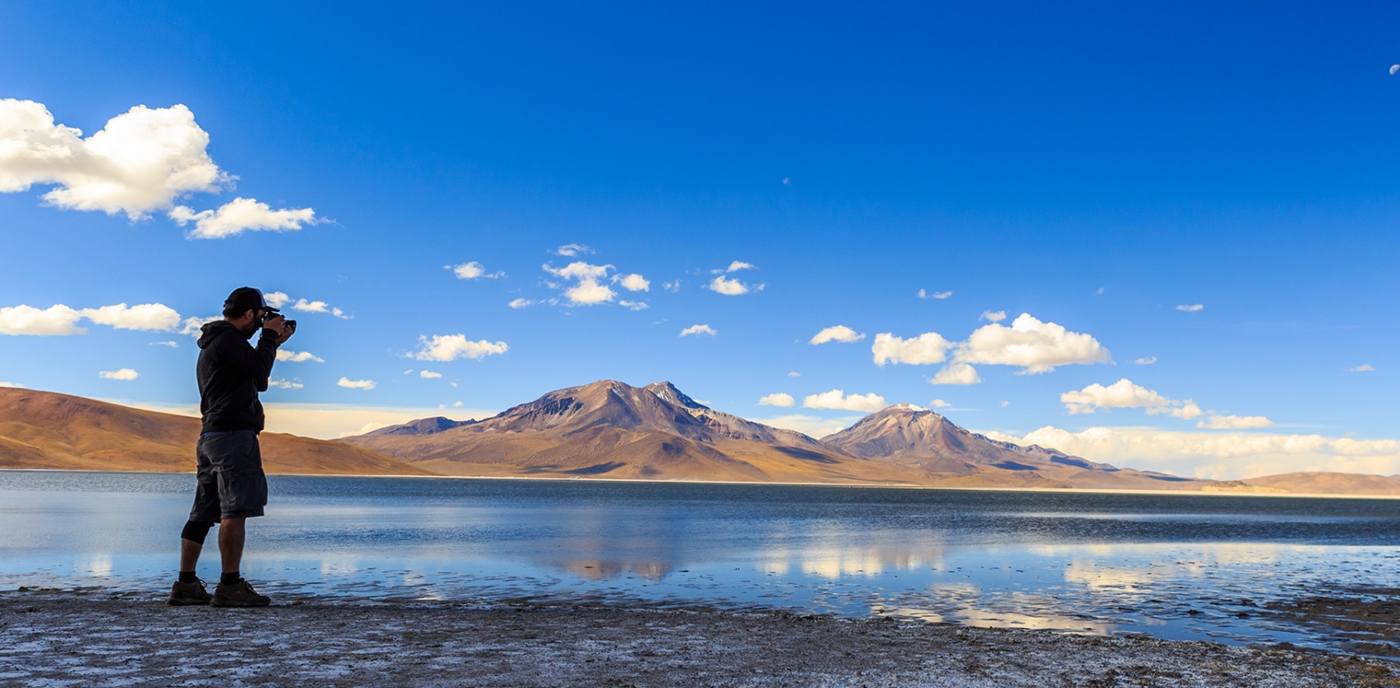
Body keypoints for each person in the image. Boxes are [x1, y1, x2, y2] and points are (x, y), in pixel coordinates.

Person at [167, 287, 293, 607]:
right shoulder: (227, 339)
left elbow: (257, 380)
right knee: (234, 511)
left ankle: (186, 584)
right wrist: (267, 338)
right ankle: (229, 586)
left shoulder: (219, 340)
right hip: (233, 437)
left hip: (212, 437)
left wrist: (272, 343)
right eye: (261, 316)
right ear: (250, 314)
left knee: (203, 511)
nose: (263, 322)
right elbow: (260, 372)